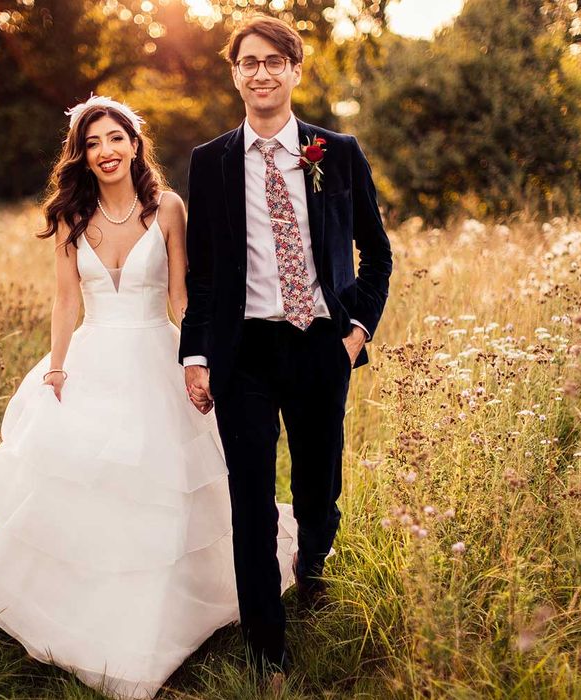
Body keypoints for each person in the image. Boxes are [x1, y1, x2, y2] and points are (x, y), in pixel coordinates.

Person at [0, 95, 298, 700]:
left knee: (166, 491)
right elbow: (66, 300)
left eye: (115, 139)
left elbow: (181, 294)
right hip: (94, 360)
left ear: (134, 143)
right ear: (81, 155)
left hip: (157, 357)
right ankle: (88, 620)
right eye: (92, 143)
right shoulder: (70, 215)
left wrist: (198, 360)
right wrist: (58, 368)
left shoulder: (167, 207)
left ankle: (169, 619)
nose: (105, 152)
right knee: (93, 494)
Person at [181, 14, 393, 676]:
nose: (262, 72)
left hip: (321, 346)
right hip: (244, 354)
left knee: (317, 491)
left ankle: (312, 568)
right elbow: (205, 272)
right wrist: (196, 355)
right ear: (235, 74)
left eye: (274, 61)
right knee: (250, 502)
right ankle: (264, 650)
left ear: (295, 70)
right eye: (249, 62)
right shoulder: (211, 162)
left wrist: (356, 335)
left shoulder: (338, 151)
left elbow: (377, 254)